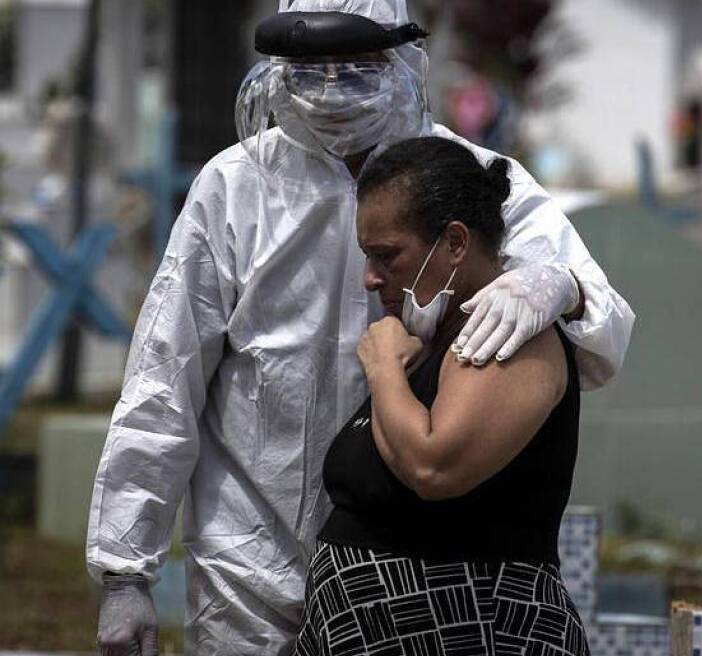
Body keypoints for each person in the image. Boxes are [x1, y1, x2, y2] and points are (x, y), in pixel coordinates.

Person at [87, 2, 634, 654]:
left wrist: (560, 287)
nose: (331, 90)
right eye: (311, 69)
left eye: (357, 67)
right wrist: (125, 567)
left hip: (410, 569)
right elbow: (163, 379)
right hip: (248, 561)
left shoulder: (470, 181)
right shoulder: (234, 190)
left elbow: (602, 331)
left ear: (404, 61)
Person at [295, 135, 588, 656]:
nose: (370, 278)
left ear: (455, 242)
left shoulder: (510, 335)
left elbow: (434, 466)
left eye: (387, 256)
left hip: (477, 629)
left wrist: (383, 365)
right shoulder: (431, 344)